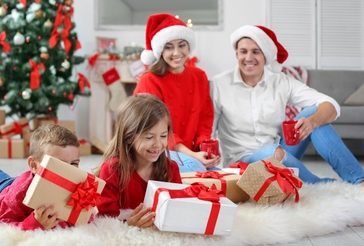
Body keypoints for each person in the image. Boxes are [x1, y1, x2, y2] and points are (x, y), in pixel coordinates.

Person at [210, 24, 364, 185]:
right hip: (241, 161)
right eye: (243, 51)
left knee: (314, 112)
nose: (248, 58)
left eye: (256, 51)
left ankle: (358, 180)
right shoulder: (219, 84)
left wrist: (312, 121)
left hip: (281, 154)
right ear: (236, 54)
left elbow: (330, 104)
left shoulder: (280, 82)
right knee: (273, 153)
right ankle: (321, 185)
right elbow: (209, 130)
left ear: (265, 56)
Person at [134, 13, 220, 172]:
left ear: (189, 46)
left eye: (181, 45)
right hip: (157, 151)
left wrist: (204, 148)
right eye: (168, 47)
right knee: (196, 169)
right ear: (160, 50)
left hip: (189, 152)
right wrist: (193, 156)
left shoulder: (199, 76)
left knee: (217, 175)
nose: (176, 53)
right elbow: (155, 130)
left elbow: (204, 119)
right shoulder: (149, 80)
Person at [93, 94, 182, 228]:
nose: (158, 144)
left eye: (163, 136)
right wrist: (128, 225)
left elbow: (179, 211)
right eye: (149, 137)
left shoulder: (171, 168)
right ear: (128, 137)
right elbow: (105, 222)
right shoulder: (112, 170)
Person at [0, 124, 83, 230]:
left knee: (7, 179)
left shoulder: (73, 185)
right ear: (34, 165)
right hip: (3, 191)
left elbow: (82, 215)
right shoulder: (19, 191)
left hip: (20, 179)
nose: (68, 171)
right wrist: (34, 223)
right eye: (59, 164)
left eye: (74, 164)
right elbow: (5, 221)